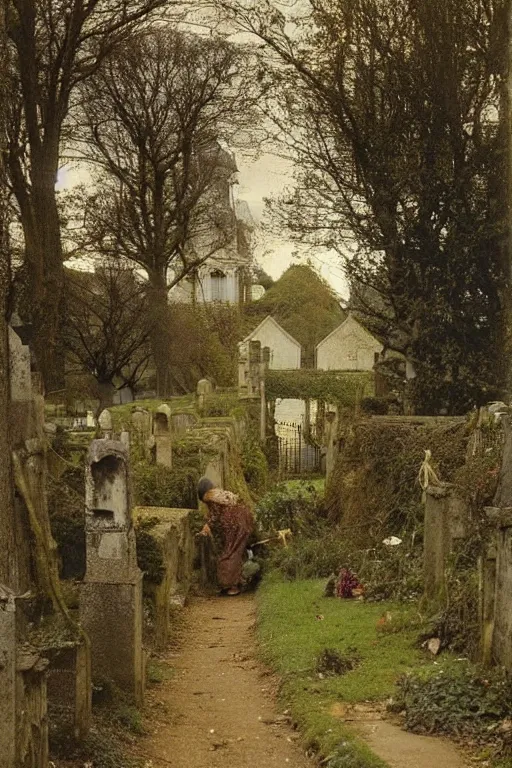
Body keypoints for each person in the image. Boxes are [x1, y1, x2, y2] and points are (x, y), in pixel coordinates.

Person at [197, 477, 254, 596]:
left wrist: (207, 526)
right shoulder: (222, 494)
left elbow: (215, 516)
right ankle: (237, 582)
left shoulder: (211, 498)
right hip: (243, 524)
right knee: (236, 553)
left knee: (229, 554)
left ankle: (232, 586)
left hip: (235, 528)